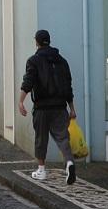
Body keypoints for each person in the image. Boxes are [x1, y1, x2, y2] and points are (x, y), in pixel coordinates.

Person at [17, 28, 78, 184]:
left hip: (42, 107)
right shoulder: (62, 61)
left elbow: (28, 82)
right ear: (49, 41)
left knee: (41, 138)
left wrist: (21, 101)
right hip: (60, 106)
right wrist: (71, 108)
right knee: (63, 137)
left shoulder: (33, 61)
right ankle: (69, 163)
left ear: (36, 42)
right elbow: (67, 86)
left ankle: (41, 170)